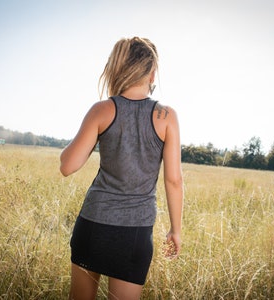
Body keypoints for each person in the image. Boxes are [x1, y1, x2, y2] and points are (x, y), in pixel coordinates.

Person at [60, 36, 183, 300]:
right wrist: (176, 230)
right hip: (135, 234)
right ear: (152, 73)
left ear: (119, 68)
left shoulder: (101, 110)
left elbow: (67, 166)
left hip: (93, 225)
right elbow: (173, 180)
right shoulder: (167, 117)